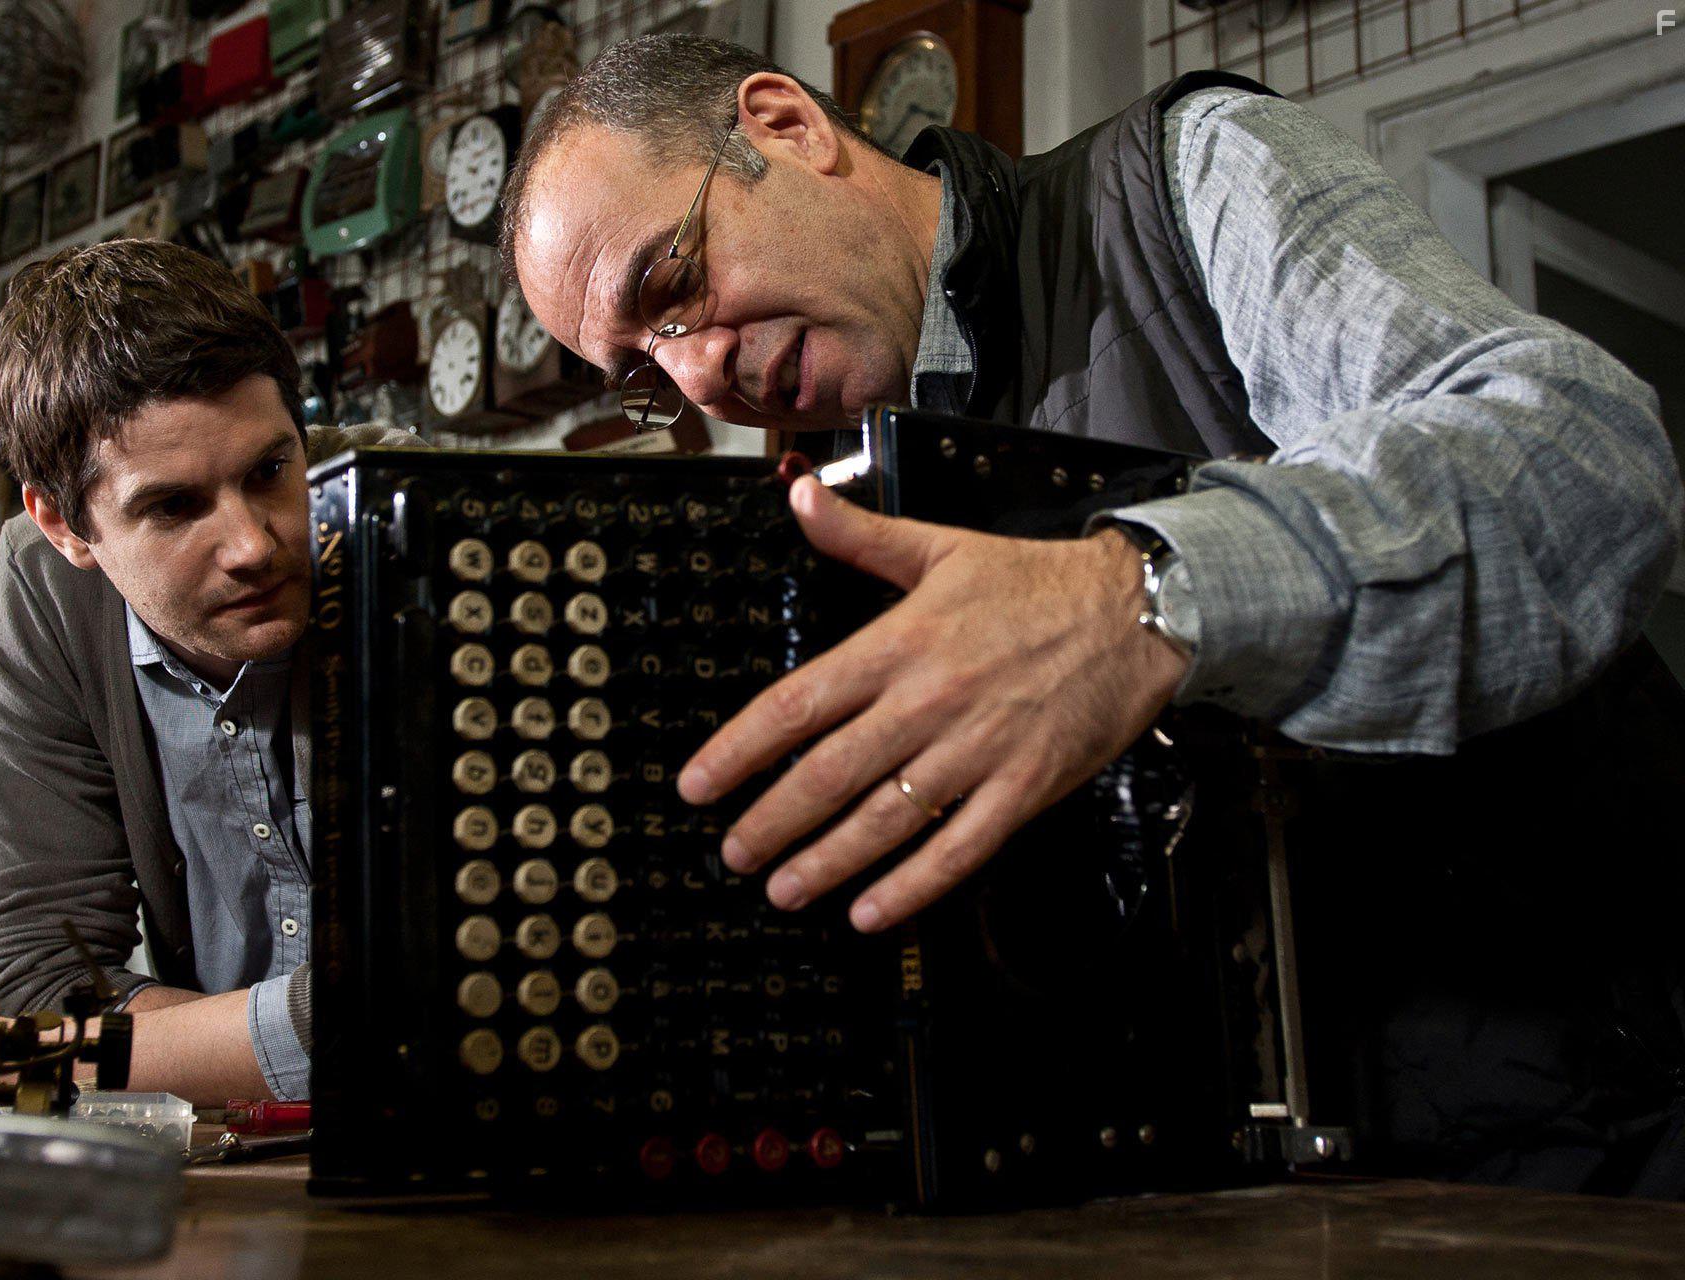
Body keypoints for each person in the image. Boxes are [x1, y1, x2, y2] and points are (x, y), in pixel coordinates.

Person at [501, 36, 1685, 1189]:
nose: (698, 375)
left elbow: (1585, 459)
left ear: (787, 126)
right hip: (1246, 1208)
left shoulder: (1181, 184)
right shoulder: (829, 512)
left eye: (670, 283)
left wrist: (1145, 597)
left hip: (1602, 1141)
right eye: (647, 374)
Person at [0, 240, 417, 1106]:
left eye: (271, 470)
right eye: (174, 506)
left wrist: (30, 1053)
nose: (255, 545)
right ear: (66, 527)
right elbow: (34, 972)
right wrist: (38, 1037)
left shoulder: (413, 523)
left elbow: (449, 987)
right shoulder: (44, 599)